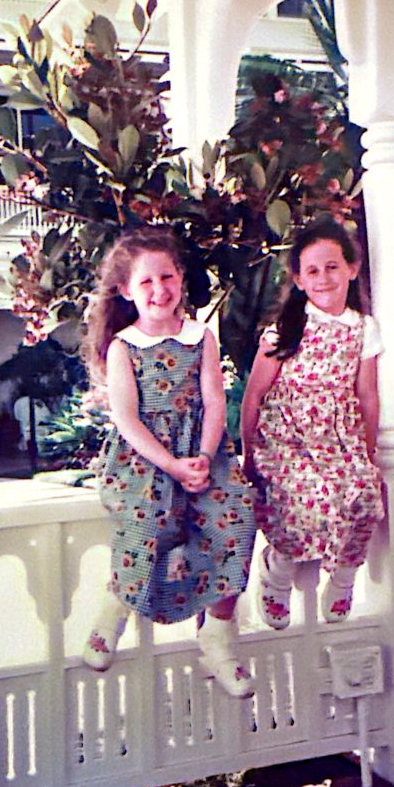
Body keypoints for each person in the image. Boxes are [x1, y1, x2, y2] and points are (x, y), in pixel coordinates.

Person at [81, 227, 256, 698]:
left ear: (180, 277)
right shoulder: (123, 346)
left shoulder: (200, 337)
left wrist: (203, 456)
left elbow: (214, 401)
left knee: (236, 516)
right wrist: (172, 466)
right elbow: (127, 418)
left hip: (202, 451)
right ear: (125, 290)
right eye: (146, 281)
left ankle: (217, 635)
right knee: (150, 519)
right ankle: (115, 610)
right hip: (145, 457)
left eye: (167, 277)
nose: (159, 289)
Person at [241, 214, 384, 627]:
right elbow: (254, 395)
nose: (323, 278)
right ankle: (277, 572)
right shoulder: (285, 329)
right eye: (313, 271)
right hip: (287, 438)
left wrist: (368, 450)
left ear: (352, 269)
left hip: (339, 436)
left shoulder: (363, 328)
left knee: (364, 495)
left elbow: (367, 394)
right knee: (300, 498)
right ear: (299, 280)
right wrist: (248, 452)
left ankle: (343, 578)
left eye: (332, 267)